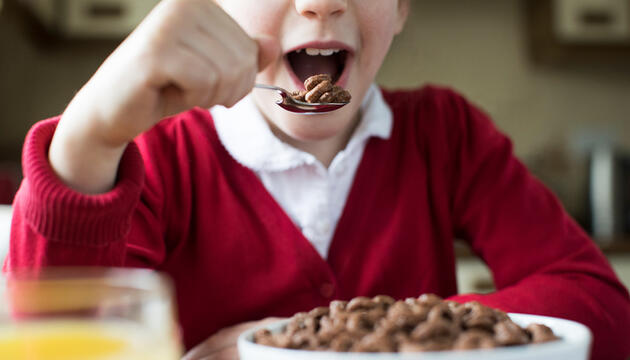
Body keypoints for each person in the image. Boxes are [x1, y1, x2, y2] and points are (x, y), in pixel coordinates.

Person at [5, 0, 630, 359]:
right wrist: (89, 137)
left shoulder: (447, 136)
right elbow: (56, 338)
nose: (321, 1)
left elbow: (602, 307)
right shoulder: (157, 158)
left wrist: (328, 340)